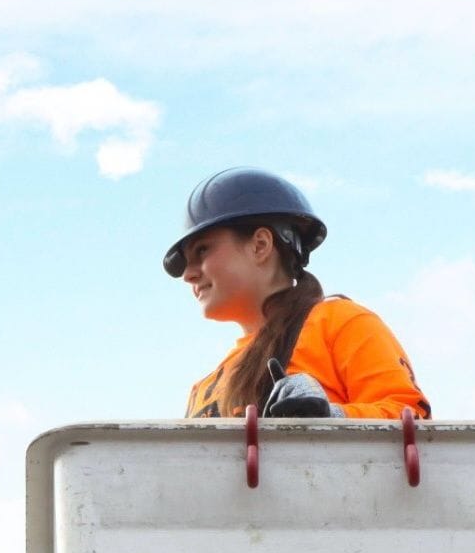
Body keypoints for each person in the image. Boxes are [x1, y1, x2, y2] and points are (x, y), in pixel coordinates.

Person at [163, 167, 431, 421]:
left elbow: (412, 417)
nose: (189, 274)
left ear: (260, 245)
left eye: (202, 251)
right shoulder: (203, 388)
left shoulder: (339, 322)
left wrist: (329, 418)